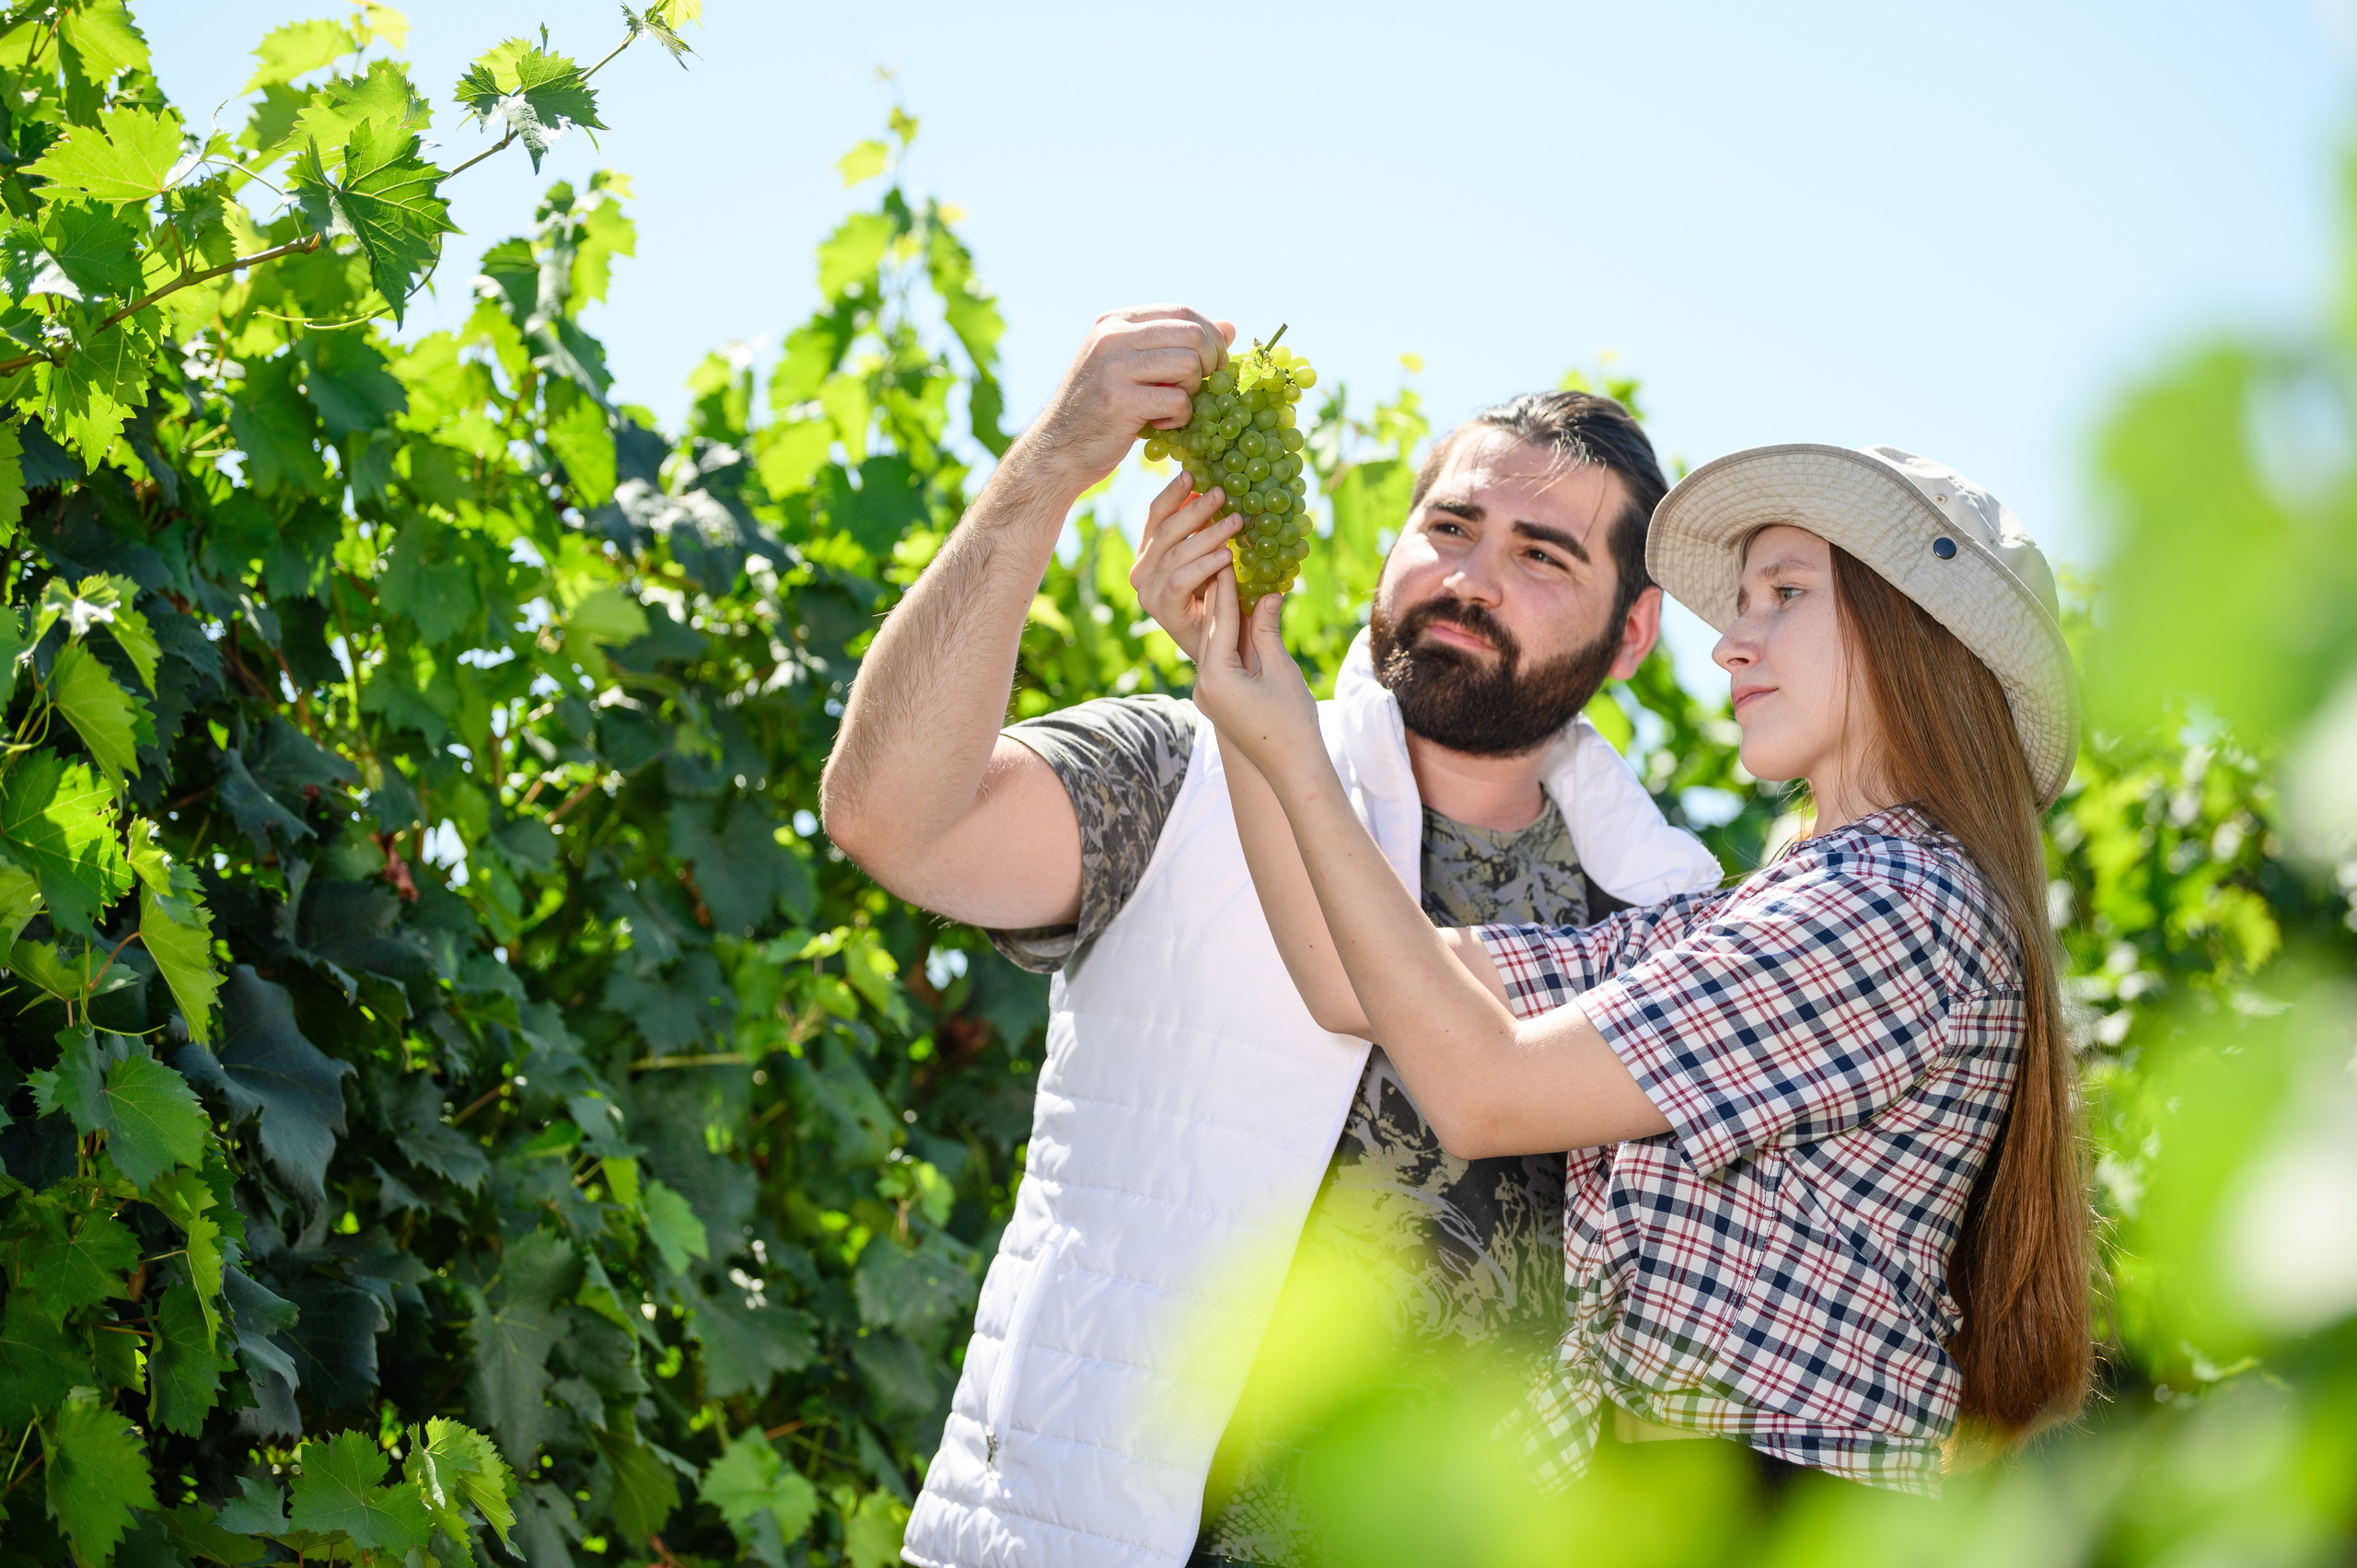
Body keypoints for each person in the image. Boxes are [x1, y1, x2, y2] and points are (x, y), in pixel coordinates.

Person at [819, 306, 1723, 1568]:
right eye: (1449, 527)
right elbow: (889, 820)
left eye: (1541, 554)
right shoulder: (1181, 770)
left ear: (1632, 633)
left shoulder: (1670, 922)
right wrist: (1046, 476)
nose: (1470, 576)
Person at [1188, 443, 2095, 1492]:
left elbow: (1483, 1090)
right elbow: (1357, 983)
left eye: (1783, 596)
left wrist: (1293, 750)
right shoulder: (1765, 910)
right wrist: (1245, 704)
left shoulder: (1897, 903)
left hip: (1762, 1510)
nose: (1731, 645)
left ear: (1912, 634)